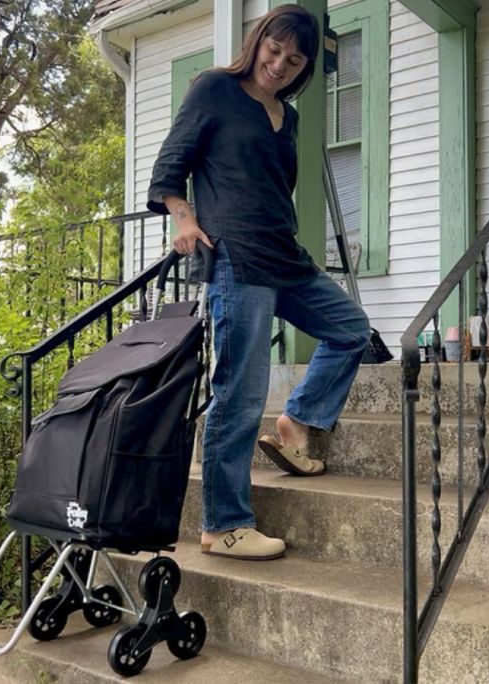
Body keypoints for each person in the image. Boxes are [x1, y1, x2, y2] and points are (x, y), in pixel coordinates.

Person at [147, 4, 370, 561]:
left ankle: (297, 421)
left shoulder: (287, 117)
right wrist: (185, 219)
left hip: (284, 256)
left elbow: (277, 186)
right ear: (258, 40)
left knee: (350, 328)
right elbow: (172, 162)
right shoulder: (214, 89)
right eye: (275, 49)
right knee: (240, 392)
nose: (280, 64)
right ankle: (224, 524)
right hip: (236, 258)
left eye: (295, 60)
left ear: (304, 68)